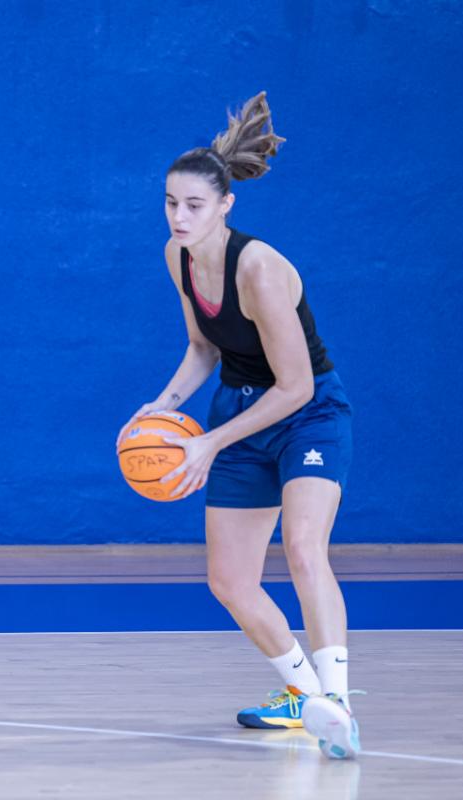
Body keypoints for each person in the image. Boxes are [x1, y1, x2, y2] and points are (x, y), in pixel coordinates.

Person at [117, 92, 359, 759]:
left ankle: (336, 699)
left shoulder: (257, 268)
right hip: (235, 410)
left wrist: (207, 442)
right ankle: (303, 697)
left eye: (192, 205)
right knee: (227, 580)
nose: (177, 215)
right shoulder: (178, 257)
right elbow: (203, 348)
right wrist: (163, 405)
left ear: (226, 205)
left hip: (307, 414)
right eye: (169, 202)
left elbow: (295, 385)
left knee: (305, 550)